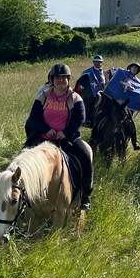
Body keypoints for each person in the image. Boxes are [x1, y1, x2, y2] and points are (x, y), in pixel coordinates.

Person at [24, 63, 93, 210]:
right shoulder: (43, 96)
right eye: (57, 78)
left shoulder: (75, 98)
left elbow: (80, 118)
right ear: (52, 79)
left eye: (64, 78)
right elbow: (34, 117)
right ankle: (22, 197)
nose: (60, 81)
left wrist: (66, 132)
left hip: (67, 138)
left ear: (68, 79)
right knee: (22, 158)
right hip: (44, 138)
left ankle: (85, 194)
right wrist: (45, 129)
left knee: (85, 156)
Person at [91, 62, 140, 150]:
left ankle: (135, 142)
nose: (135, 69)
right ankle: (94, 138)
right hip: (112, 101)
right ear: (130, 67)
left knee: (131, 121)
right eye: (134, 67)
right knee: (99, 116)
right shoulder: (120, 71)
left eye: (137, 69)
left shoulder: (137, 81)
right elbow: (106, 72)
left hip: (124, 106)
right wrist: (108, 82)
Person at [76, 54, 106, 128]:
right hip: (90, 91)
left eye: (100, 62)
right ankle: (87, 120)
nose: (98, 63)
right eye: (96, 62)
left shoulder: (103, 73)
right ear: (93, 62)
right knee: (91, 101)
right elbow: (80, 80)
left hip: (102, 92)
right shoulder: (88, 71)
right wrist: (80, 85)